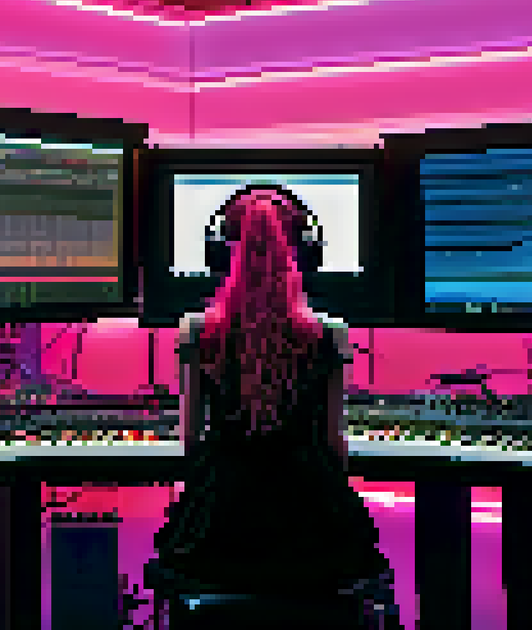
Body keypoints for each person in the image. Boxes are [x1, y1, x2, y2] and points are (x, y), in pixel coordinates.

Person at [146, 187, 397, 626]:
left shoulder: (195, 331)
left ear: (219, 257)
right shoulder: (330, 334)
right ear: (306, 256)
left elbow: (189, 439)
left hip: (217, 532)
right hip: (313, 533)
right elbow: (334, 446)